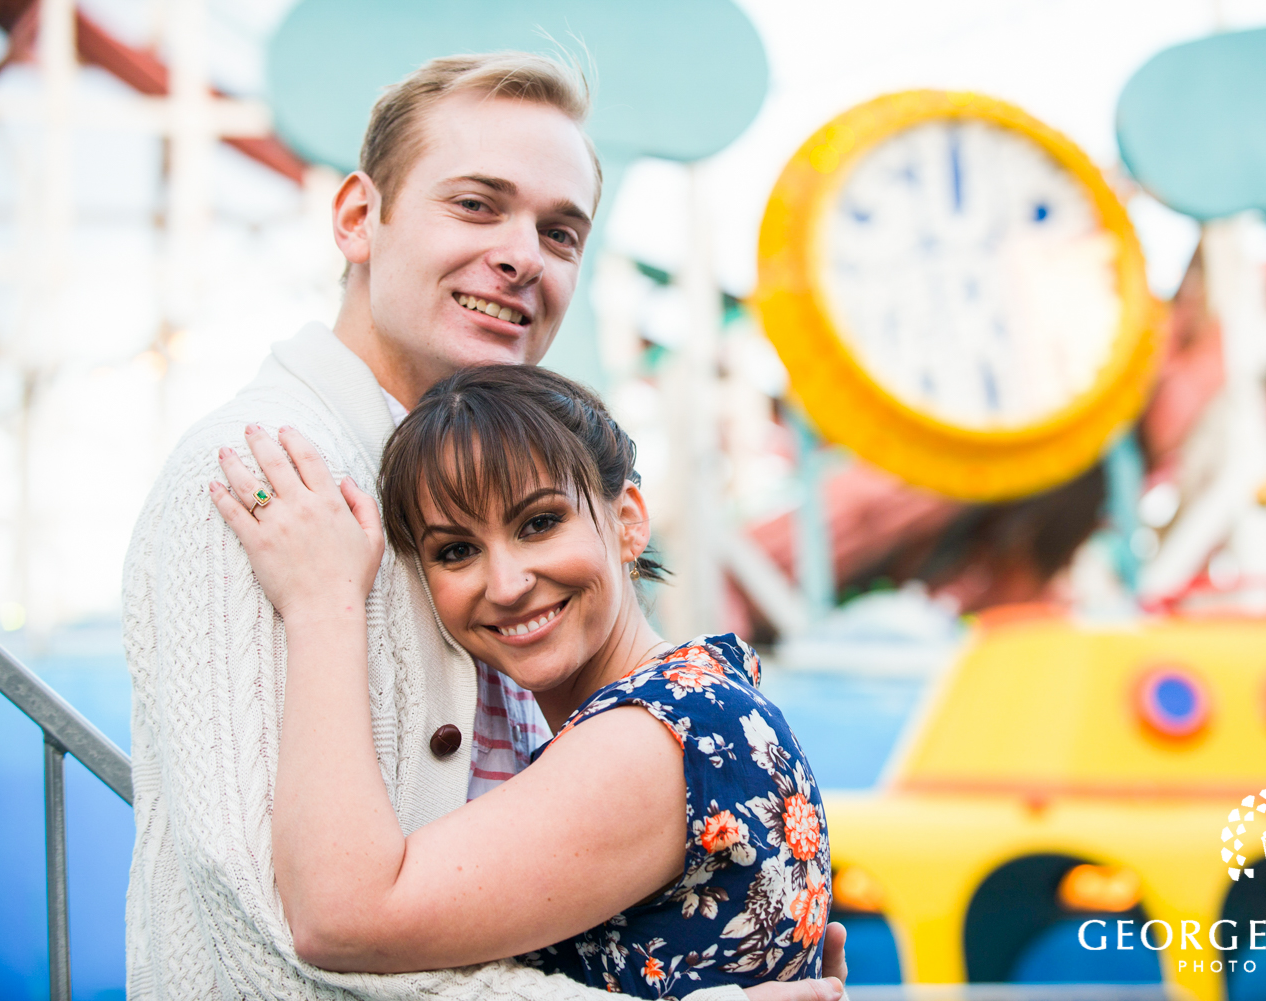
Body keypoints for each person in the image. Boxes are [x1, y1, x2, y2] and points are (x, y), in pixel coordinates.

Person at [123, 51, 845, 1001]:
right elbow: (268, 945)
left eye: (560, 232)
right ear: (357, 219)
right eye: (476, 204)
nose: (521, 254)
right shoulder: (263, 479)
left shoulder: (468, 488)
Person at [208, 365, 832, 995]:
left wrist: (322, 604)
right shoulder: (701, 695)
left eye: (539, 523)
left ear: (628, 522)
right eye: (455, 551)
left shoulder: (655, 736)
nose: (506, 584)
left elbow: (340, 919)